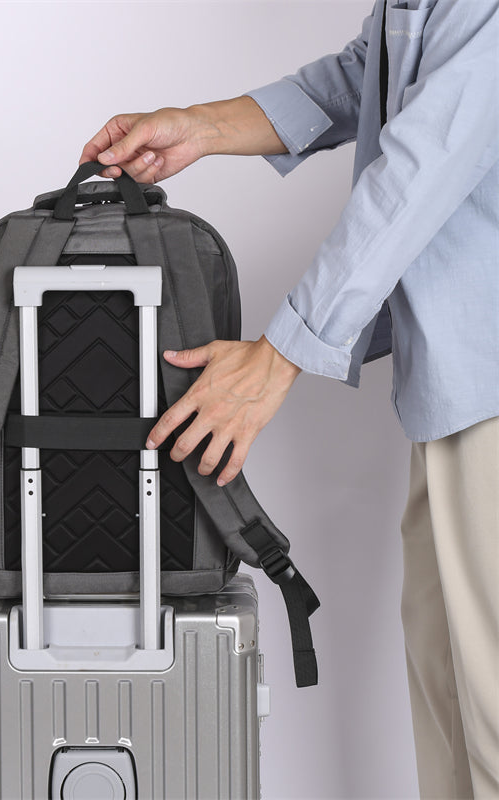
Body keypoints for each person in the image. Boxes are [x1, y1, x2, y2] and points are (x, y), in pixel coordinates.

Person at [80, 1, 498, 797]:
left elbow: (426, 161)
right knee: (449, 699)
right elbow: (367, 73)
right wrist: (203, 126)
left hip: (489, 387)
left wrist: (278, 358)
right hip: (451, 389)